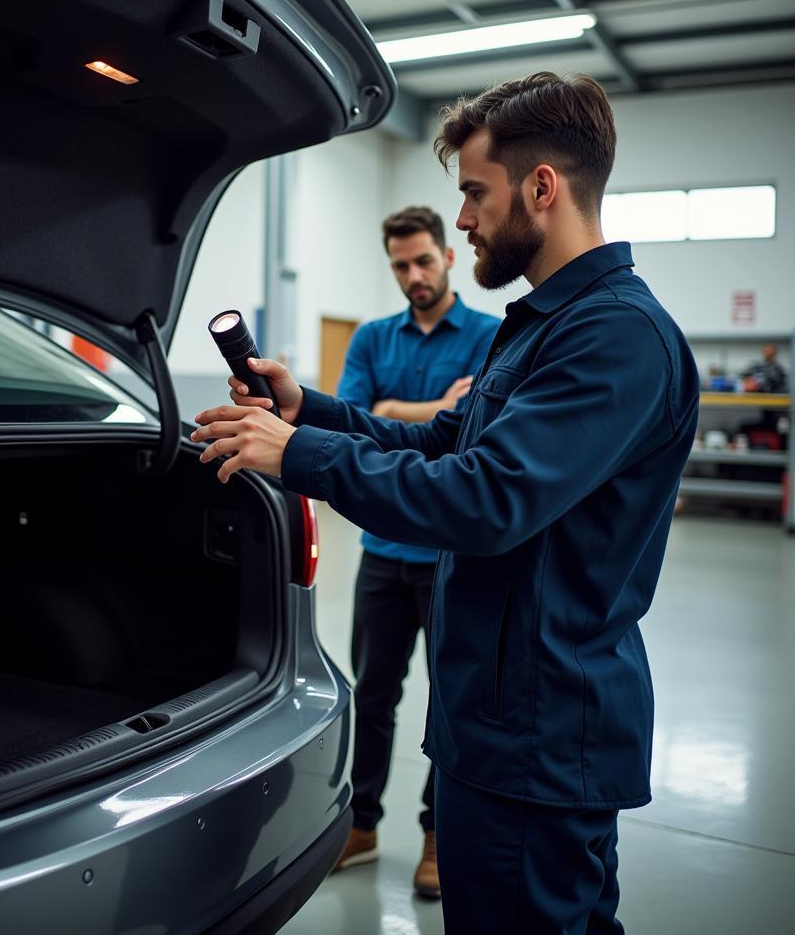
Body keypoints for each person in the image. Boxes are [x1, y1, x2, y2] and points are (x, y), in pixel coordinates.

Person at [190, 72, 701, 932]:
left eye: (473, 193)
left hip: (539, 735)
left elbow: (484, 498)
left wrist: (300, 456)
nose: (460, 220)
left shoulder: (615, 335)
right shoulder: (543, 324)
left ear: (542, 188)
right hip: (494, 719)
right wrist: (307, 411)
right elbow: (441, 444)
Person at [332, 205, 499, 898]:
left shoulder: (492, 335)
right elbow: (352, 424)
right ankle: (361, 825)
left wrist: (393, 410)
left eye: (424, 260)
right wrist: (431, 408)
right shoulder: (372, 338)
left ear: (448, 257)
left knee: (450, 704)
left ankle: (438, 838)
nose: (413, 276)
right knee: (371, 695)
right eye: (401, 265)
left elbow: (474, 436)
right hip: (380, 552)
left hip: (447, 557)